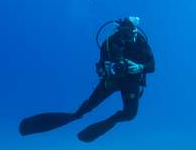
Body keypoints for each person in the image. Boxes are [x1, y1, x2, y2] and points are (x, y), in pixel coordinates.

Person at [19, 16, 156, 142]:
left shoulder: (141, 43)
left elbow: (152, 66)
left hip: (131, 81)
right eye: (123, 32)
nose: (126, 35)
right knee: (83, 110)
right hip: (112, 80)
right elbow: (101, 64)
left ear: (135, 31)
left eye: (130, 32)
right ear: (119, 30)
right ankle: (42, 123)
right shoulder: (109, 43)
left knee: (129, 114)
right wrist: (105, 68)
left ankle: (107, 123)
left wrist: (139, 67)